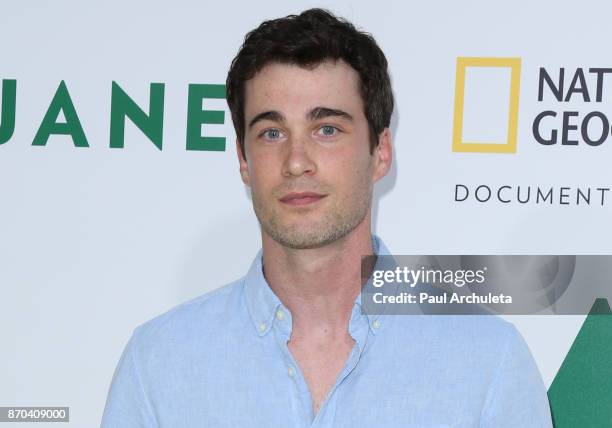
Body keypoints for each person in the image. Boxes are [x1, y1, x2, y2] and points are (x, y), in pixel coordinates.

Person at [101, 8, 553, 427]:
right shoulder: (159, 364)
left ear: (381, 153)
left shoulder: (488, 362)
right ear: (243, 159)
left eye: (327, 129)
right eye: (272, 132)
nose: (296, 161)